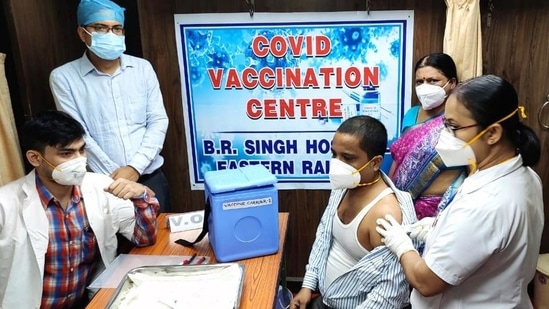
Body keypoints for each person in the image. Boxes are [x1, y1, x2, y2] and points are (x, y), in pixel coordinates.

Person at [377, 75, 544, 308]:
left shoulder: (486, 203)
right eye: (445, 124)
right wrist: (437, 227)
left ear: (492, 133)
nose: (443, 136)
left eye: (453, 127)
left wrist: (400, 244)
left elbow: (426, 282)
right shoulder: (522, 175)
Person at [0, 110, 160, 308]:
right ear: (35, 158)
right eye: (67, 154)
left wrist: (140, 197)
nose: (79, 160)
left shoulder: (101, 187)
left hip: (88, 303)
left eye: (81, 150)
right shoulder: (5, 204)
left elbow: (144, 239)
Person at [50, 0, 170, 212]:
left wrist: (134, 168)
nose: (110, 34)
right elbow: (78, 133)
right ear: (82, 33)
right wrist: (116, 178)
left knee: (158, 242)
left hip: (149, 177)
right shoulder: (64, 77)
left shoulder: (142, 69)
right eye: (100, 28)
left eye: (116, 28)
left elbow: (158, 121)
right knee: (109, 244)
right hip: (99, 183)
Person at [290, 116, 417, 309]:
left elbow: (388, 294)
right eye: (334, 154)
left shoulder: (385, 215)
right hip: (324, 299)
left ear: (375, 163)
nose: (337, 164)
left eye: (347, 158)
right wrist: (308, 284)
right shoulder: (345, 184)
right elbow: (324, 237)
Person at [389, 53, 467, 219]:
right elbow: (399, 157)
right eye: (419, 82)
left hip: (444, 209)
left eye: (433, 80)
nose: (425, 86)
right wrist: (391, 195)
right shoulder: (412, 114)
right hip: (405, 207)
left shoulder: (463, 118)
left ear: (452, 83)